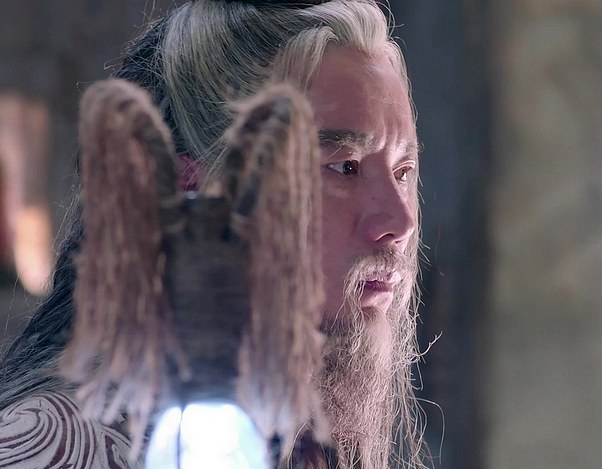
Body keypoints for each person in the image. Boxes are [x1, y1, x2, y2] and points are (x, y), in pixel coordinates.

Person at [0, 1, 427, 467]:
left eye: (403, 171)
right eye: (344, 167)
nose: (400, 222)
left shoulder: (298, 443)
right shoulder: (58, 449)